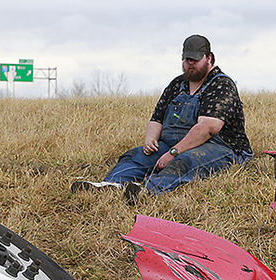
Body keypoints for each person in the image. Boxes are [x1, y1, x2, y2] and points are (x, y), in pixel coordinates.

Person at [72, 35, 253, 202]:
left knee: (185, 161)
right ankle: (111, 185)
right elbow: (156, 118)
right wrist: (150, 140)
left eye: (195, 60)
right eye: (186, 59)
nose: (190, 64)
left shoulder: (221, 84)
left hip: (221, 147)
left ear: (209, 58)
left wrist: (173, 153)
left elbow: (208, 128)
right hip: (172, 144)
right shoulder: (177, 84)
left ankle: (146, 190)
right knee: (136, 156)